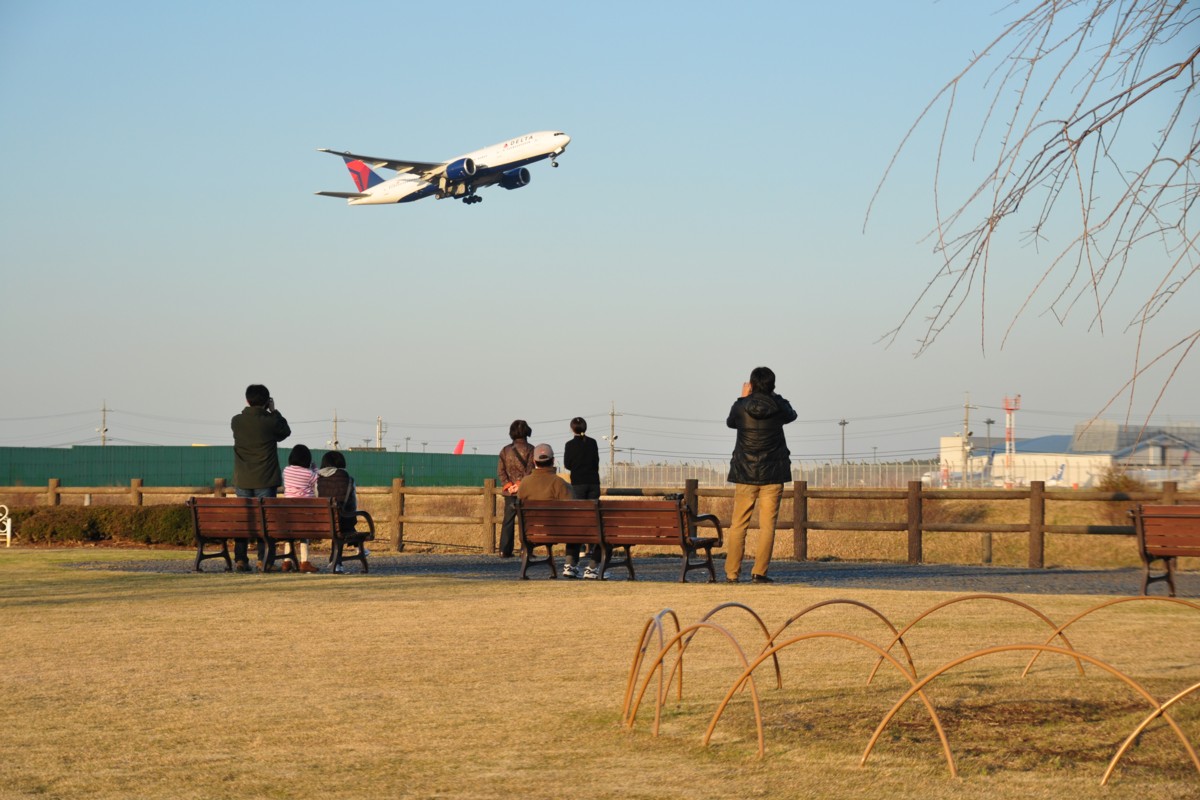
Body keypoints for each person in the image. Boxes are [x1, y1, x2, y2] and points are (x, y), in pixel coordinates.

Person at [724, 366, 797, 584]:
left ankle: (731, 573)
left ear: (752, 384)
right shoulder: (778, 406)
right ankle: (759, 572)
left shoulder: (740, 406)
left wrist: (743, 397)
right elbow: (792, 414)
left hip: (745, 473)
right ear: (772, 385)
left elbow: (730, 423)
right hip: (772, 474)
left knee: (738, 525)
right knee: (767, 526)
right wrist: (773, 395)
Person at [231, 383, 290, 572]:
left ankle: (241, 559)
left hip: (243, 479)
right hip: (266, 479)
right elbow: (285, 432)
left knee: (243, 520)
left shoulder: (237, 421)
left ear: (247, 400)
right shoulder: (270, 421)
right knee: (266, 521)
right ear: (266, 401)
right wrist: (274, 411)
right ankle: (264, 560)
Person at [563, 416, 605, 579]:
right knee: (593, 518)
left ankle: (577, 554)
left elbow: (567, 464)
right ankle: (591, 550)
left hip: (578, 483)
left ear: (572, 428)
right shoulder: (592, 442)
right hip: (593, 483)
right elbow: (596, 462)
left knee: (578, 519)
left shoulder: (569, 445)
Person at [316, 450, 367, 573]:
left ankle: (336, 562)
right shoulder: (348, 478)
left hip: (322, 523)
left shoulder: (317, 479)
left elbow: (317, 498)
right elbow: (353, 503)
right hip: (342, 522)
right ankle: (355, 550)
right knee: (343, 520)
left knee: (336, 521)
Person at [496, 419, 535, 558]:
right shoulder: (531, 449)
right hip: (525, 491)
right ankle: (525, 549)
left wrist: (508, 485)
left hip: (509, 492)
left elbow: (501, 470)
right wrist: (519, 485)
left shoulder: (505, 450)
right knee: (525, 521)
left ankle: (504, 550)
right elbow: (530, 470)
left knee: (508, 520)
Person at [281, 443, 321, 573]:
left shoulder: (286, 471)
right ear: (307, 459)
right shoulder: (310, 474)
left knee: (289, 536)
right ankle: (304, 562)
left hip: (288, 514)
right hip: (305, 513)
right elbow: (318, 479)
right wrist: (314, 468)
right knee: (304, 536)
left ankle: (286, 562)